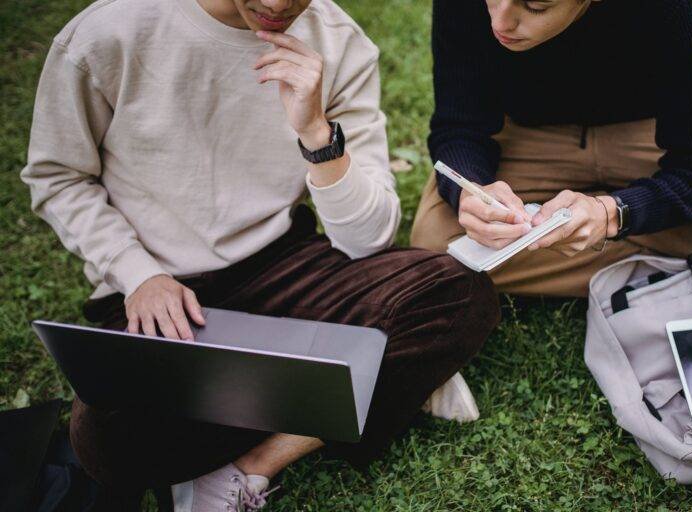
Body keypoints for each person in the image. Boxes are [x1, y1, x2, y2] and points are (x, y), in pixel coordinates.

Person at [21, 0, 499, 509]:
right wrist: (137, 274)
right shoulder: (107, 34)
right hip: (160, 289)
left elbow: (369, 239)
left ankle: (252, 465)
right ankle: (382, 376)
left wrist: (317, 133)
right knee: (105, 442)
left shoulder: (338, 40)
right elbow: (58, 177)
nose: (276, 4)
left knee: (461, 292)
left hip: (290, 265)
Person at [411, 0, 692, 297]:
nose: (500, 20)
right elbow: (459, 128)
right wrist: (472, 190)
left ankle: (592, 231)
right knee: (432, 247)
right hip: (525, 137)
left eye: (535, 6)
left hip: (642, 131)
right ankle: (675, 259)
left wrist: (613, 213)